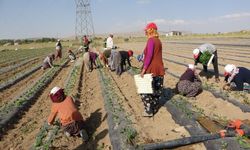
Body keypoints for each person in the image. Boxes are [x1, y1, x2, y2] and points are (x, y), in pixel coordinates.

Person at [140, 22, 165, 117]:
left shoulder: (151, 41)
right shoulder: (158, 41)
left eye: (146, 30)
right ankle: (154, 107)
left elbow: (149, 56)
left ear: (150, 30)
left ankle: (148, 111)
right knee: (156, 91)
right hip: (160, 69)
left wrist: (144, 69)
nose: (145, 32)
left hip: (151, 69)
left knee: (145, 90)